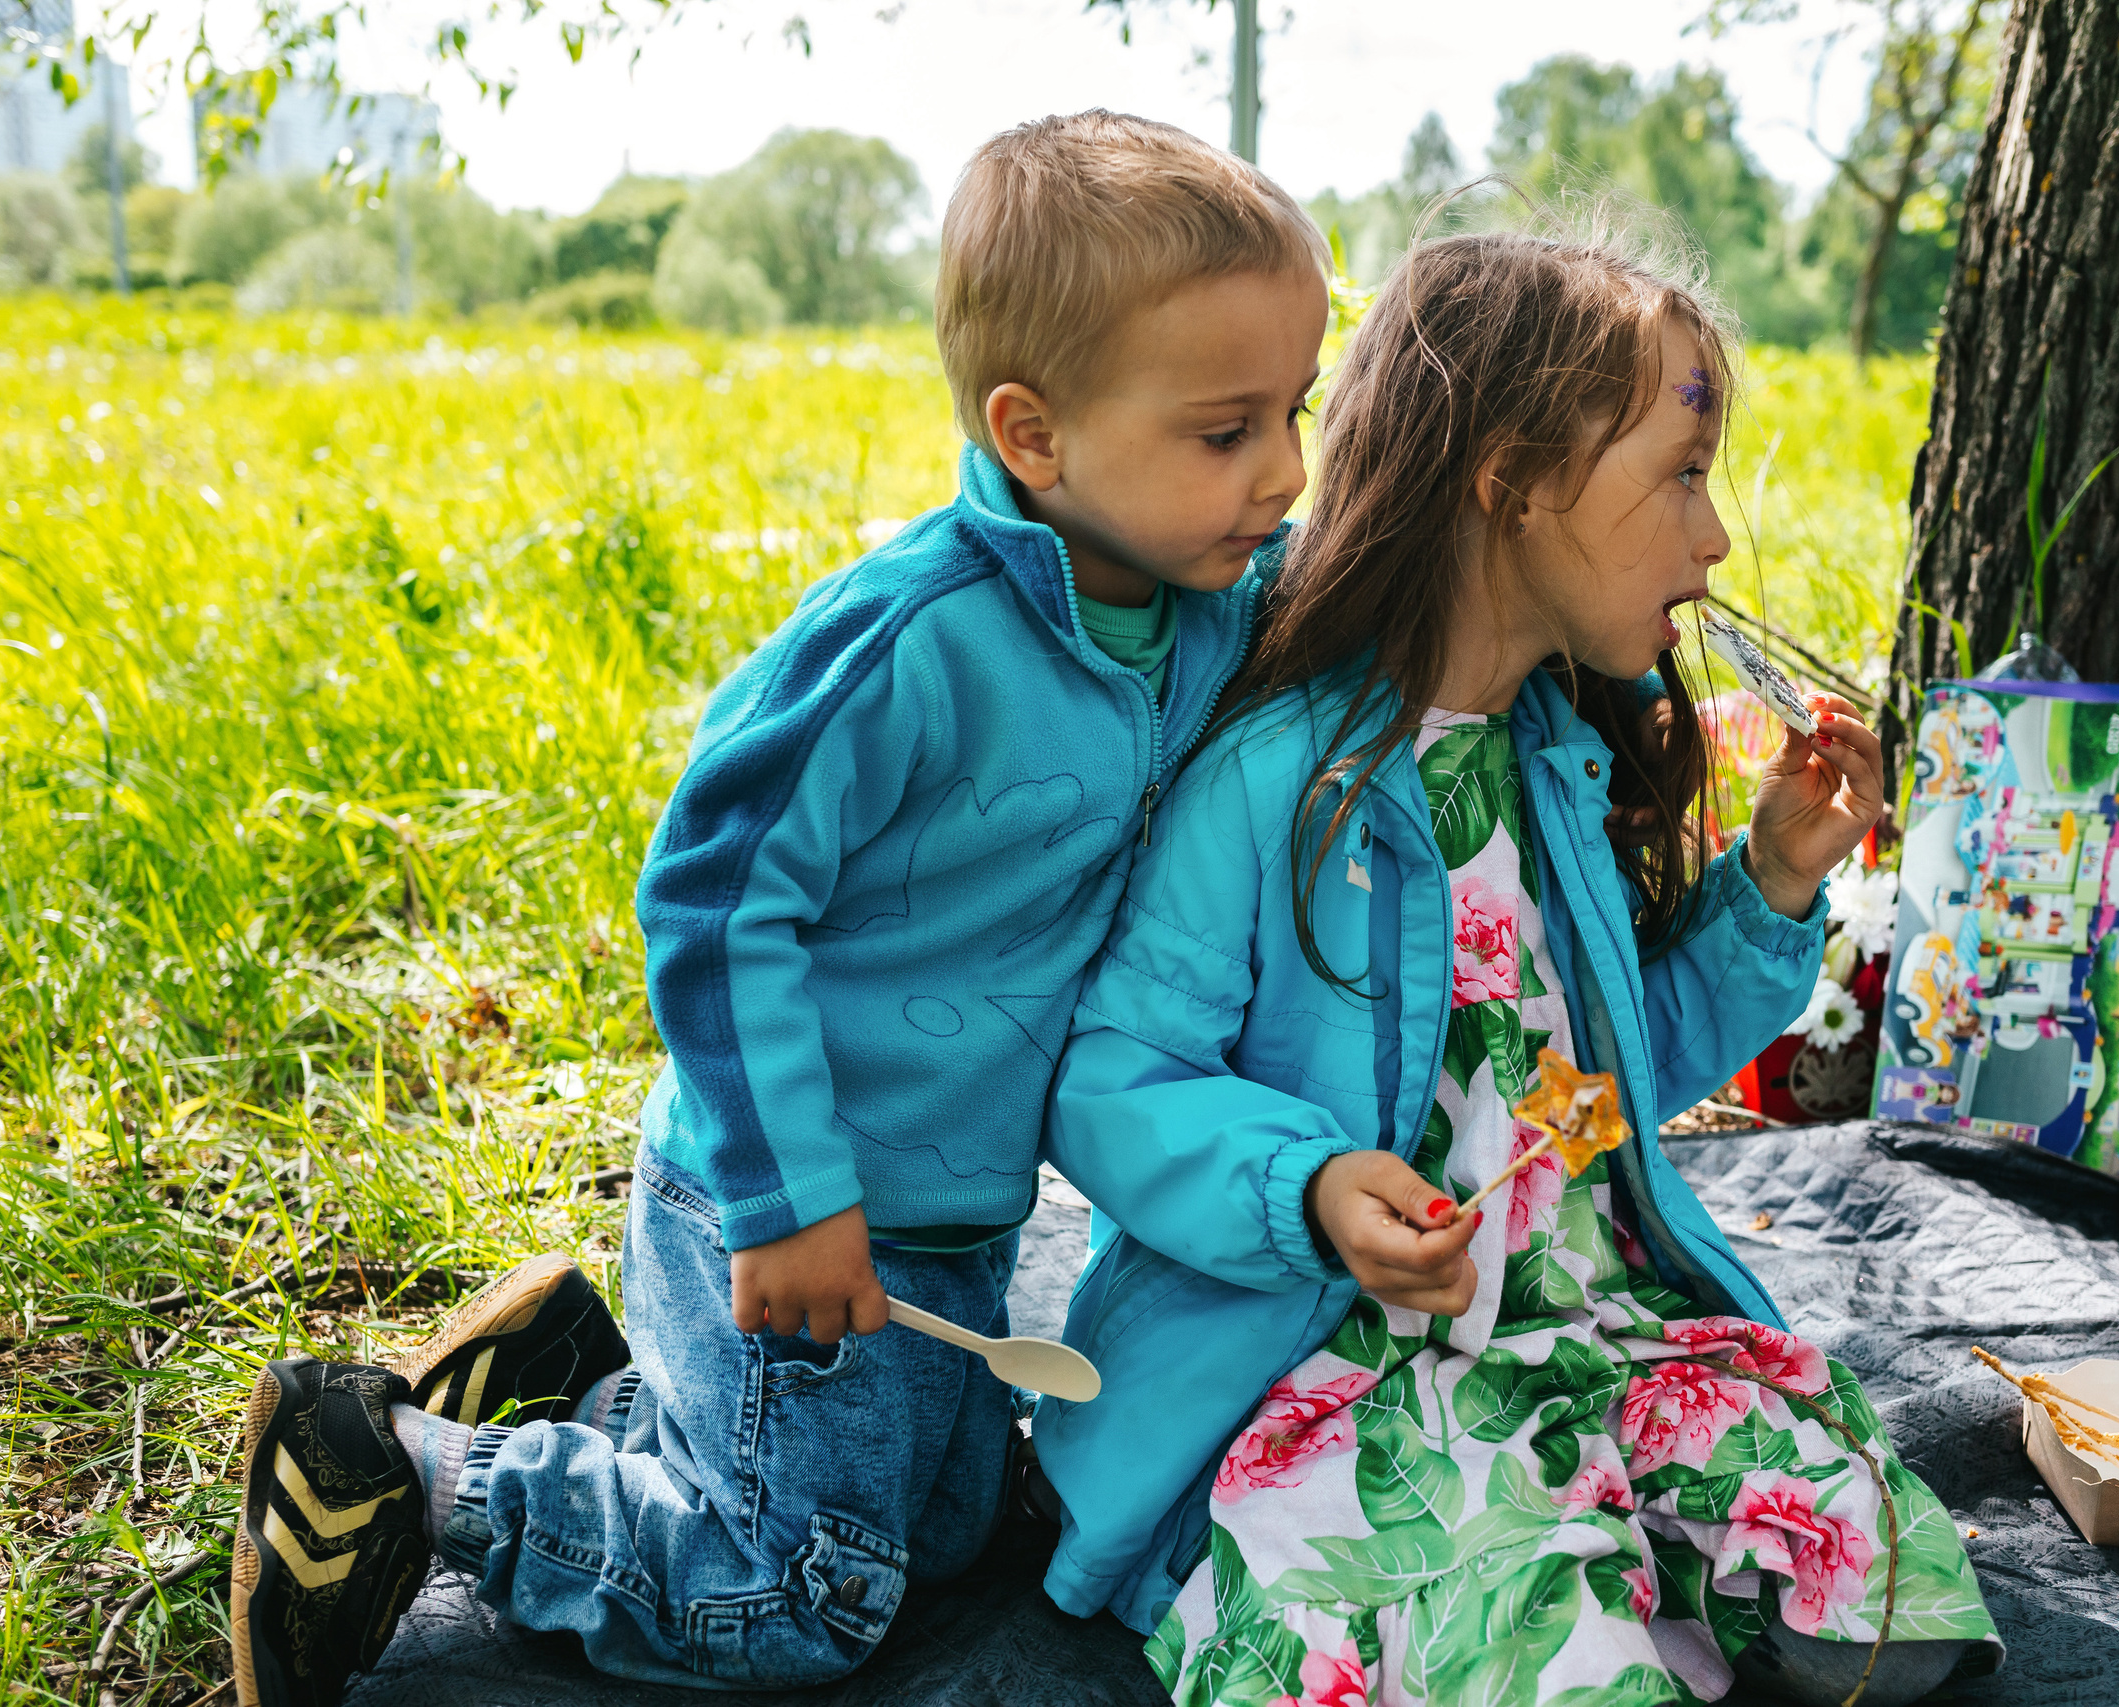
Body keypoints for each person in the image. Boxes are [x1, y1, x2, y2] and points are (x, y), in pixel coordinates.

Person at [226, 109, 1332, 1706]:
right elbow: (712, 896)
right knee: (800, 1593)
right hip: (797, 1190)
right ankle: (396, 1469)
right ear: (1035, 435)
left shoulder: (1199, 608)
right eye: (1228, 433)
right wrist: (788, 1194)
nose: (1284, 473)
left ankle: (579, 1392)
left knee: (949, 1534)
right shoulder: (909, 644)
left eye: (1295, 412)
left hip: (952, 1221)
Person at [1035, 219, 2001, 1706]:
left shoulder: (1548, 762)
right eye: (1680, 476)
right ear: (1512, 482)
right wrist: (1303, 1186)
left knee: (1896, 1623)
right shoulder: (1278, 779)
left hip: (1585, 1334)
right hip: (1342, 1367)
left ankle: (1616, 1546)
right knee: (1542, 1637)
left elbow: (1598, 1083)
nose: (1715, 536)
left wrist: (1774, 880)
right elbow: (1113, 1080)